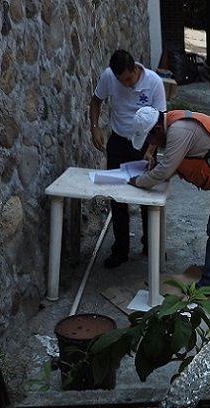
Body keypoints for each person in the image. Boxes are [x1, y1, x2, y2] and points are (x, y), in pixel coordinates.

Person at [127, 106, 210, 296]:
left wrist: (137, 181)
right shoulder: (173, 126)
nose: (152, 144)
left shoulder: (179, 131)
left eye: (150, 140)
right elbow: (169, 166)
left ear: (156, 130)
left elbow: (165, 170)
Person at [90, 49, 167, 268]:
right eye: (121, 81)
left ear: (135, 69)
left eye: (129, 79)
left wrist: (151, 150)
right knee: (117, 196)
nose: (126, 84)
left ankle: (150, 245)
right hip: (118, 141)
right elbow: (96, 101)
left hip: (144, 142)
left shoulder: (154, 82)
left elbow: (160, 121)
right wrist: (94, 128)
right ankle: (120, 248)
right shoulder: (108, 77)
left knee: (146, 193)